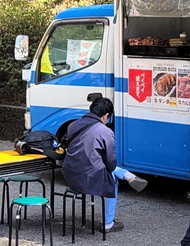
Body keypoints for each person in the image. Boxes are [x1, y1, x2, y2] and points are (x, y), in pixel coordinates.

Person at [61, 97, 147, 233]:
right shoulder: (105, 132)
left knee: (100, 165)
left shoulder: (73, 125)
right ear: (105, 116)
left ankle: (128, 175)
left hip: (69, 174)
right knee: (112, 178)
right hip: (88, 179)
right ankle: (108, 223)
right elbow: (111, 164)